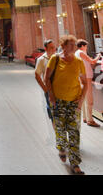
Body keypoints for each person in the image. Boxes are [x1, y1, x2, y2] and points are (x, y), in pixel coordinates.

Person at [44, 35, 87, 175]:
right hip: (59, 102)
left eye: (75, 45)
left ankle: (75, 164)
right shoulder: (55, 59)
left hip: (74, 102)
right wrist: (51, 95)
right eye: (71, 45)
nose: (74, 48)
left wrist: (80, 101)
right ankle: (61, 148)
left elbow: (85, 82)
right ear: (63, 46)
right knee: (61, 131)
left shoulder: (79, 61)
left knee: (74, 133)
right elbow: (47, 78)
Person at [75, 39, 101, 127]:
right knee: (89, 99)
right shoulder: (81, 53)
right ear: (82, 46)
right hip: (86, 77)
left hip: (82, 76)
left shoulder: (77, 53)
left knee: (84, 97)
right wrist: (99, 56)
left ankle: (85, 118)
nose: (86, 48)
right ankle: (90, 120)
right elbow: (92, 61)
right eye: (86, 46)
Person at [35, 39, 57, 125]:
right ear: (46, 48)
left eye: (54, 47)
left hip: (59, 90)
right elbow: (37, 75)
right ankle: (56, 132)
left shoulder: (57, 57)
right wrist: (45, 89)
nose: (53, 49)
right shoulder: (42, 59)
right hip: (49, 90)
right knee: (52, 112)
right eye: (51, 47)